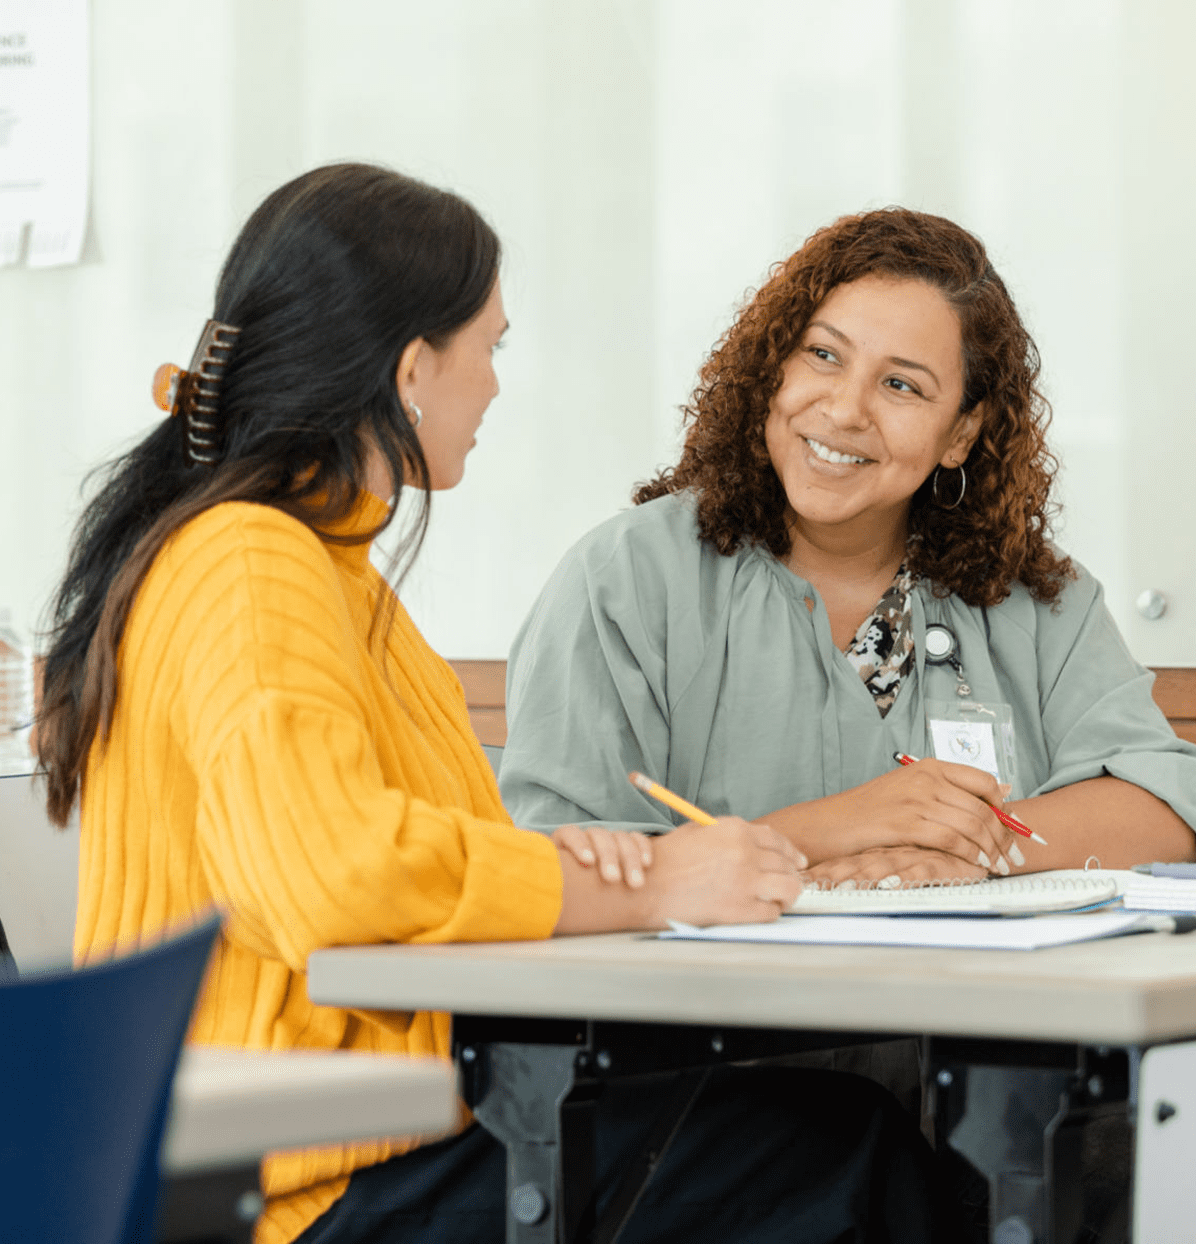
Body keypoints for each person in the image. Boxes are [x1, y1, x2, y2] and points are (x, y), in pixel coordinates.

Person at [36, 167, 957, 1244]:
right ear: (415, 366)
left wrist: (586, 862)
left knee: (824, 1133)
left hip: (345, 1149)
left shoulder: (321, 570)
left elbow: (414, 848)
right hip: (285, 1193)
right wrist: (658, 875)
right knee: (840, 1156)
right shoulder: (250, 561)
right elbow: (334, 872)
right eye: (491, 348)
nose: (496, 387)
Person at [499, 208, 1196, 886]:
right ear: (773, 366)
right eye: (823, 355)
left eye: (901, 385)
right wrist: (841, 827)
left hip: (976, 1003)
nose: (843, 409)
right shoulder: (624, 580)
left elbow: (1163, 805)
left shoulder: (1041, 601)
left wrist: (972, 849)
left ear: (960, 433)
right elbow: (560, 865)